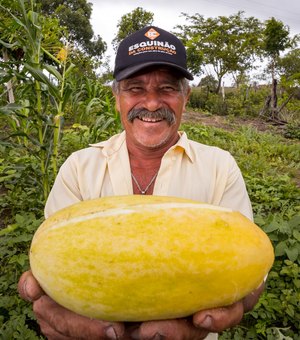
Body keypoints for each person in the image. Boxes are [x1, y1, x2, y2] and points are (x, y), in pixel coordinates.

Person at [18, 26, 265, 340]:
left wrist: (244, 299)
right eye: (135, 88)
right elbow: (51, 268)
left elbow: (252, 268)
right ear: (116, 96)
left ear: (185, 97)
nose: (151, 104)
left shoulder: (220, 167)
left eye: (166, 89)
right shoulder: (79, 168)